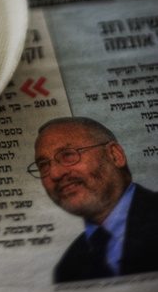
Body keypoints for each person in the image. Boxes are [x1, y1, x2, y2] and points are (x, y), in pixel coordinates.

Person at [30, 116, 158, 282]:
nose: (55, 173)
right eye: (44, 166)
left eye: (68, 155)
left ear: (115, 155)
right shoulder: (68, 268)